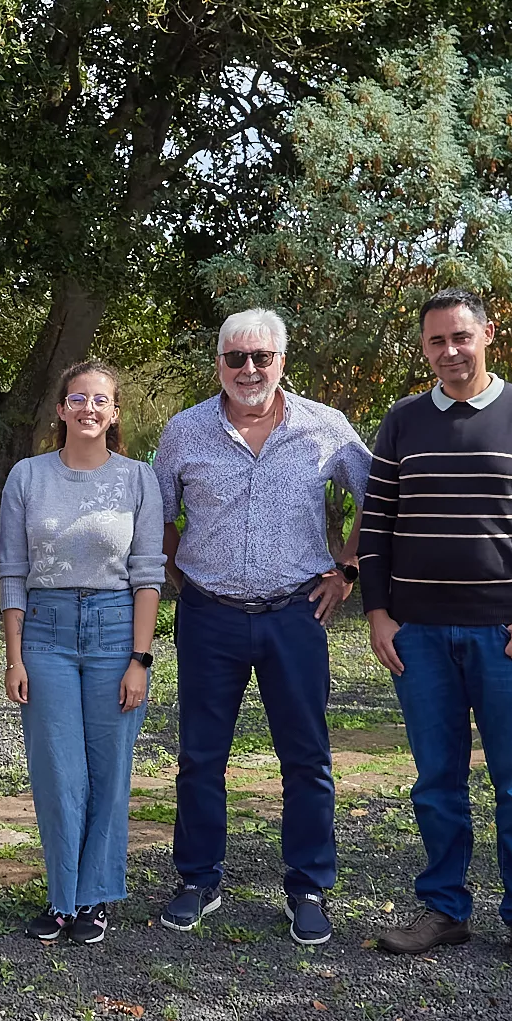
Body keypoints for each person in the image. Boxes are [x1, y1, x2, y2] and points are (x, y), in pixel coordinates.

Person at [361, 288, 512, 972]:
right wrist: (378, 614)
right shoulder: (402, 422)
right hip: (420, 638)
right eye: (436, 341)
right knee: (436, 781)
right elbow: (375, 528)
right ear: (423, 348)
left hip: (507, 639)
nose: (450, 351)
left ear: (487, 335)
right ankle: (445, 910)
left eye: (461, 337)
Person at [151, 310, 371, 946]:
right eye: (235, 358)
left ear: (281, 361)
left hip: (295, 615)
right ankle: (197, 879)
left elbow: (377, 495)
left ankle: (307, 885)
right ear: (218, 362)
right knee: (199, 756)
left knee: (306, 757)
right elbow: (161, 513)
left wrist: (347, 570)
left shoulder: (323, 427)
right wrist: (176, 573)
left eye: (261, 357)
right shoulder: (185, 431)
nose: (249, 369)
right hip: (209, 615)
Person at [0, 360, 163, 945]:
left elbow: (148, 575)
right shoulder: (27, 476)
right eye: (77, 399)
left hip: (117, 632)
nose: (88, 409)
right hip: (44, 633)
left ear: (114, 412)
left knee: (109, 770)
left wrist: (139, 660)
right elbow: (12, 572)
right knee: (57, 772)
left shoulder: (140, 479)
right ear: (60, 408)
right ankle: (61, 897)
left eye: (100, 400)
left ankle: (95, 898)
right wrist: (14, 656)